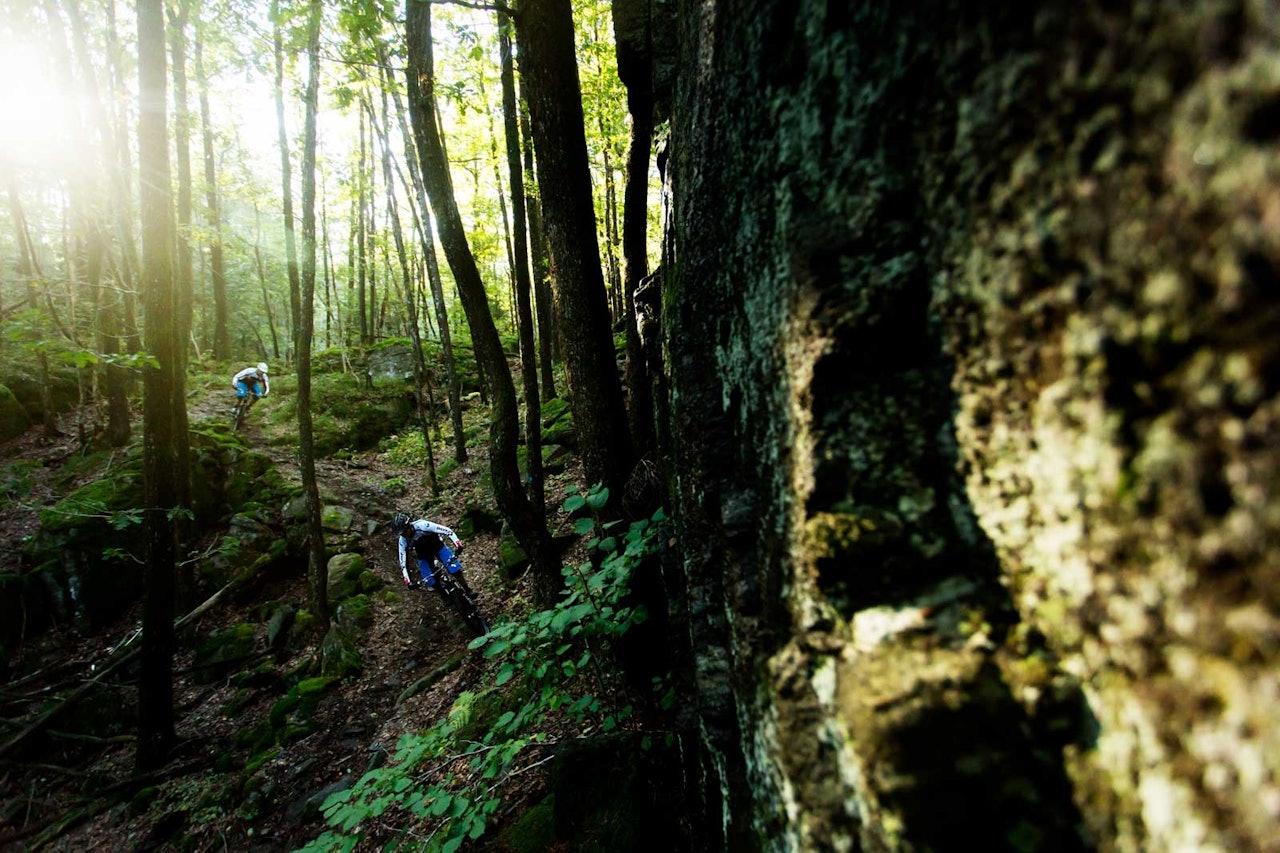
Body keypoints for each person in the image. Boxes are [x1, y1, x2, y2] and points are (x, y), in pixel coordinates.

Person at [393, 511, 477, 597]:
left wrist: (458, 545)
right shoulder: (403, 540)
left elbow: (448, 531)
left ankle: (467, 590)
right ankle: (444, 596)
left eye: (404, 532)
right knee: (428, 579)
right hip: (423, 555)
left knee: (454, 569)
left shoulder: (423, 525)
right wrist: (408, 581)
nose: (404, 535)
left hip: (437, 547)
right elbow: (402, 562)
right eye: (401, 534)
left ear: (409, 526)